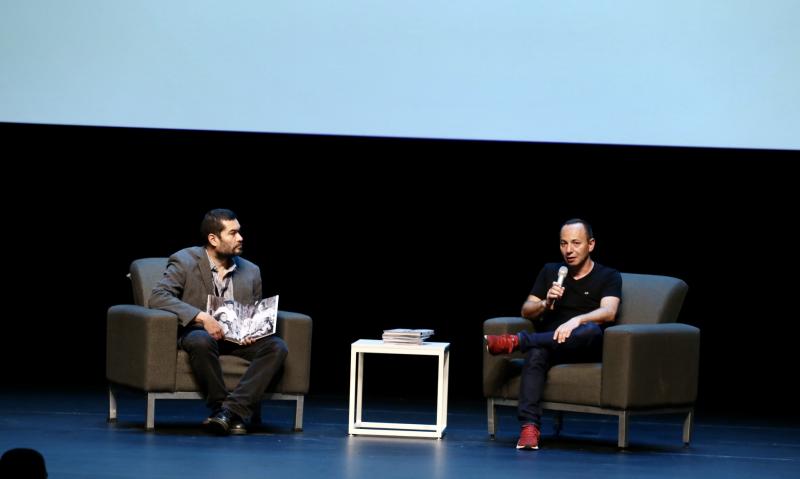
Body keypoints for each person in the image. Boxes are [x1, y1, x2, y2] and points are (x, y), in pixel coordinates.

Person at [149, 208, 288, 436]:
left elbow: (253, 311)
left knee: (277, 346)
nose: (240, 238)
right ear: (213, 239)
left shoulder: (251, 271)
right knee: (201, 341)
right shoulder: (184, 260)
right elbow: (158, 296)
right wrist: (202, 317)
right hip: (199, 333)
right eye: (232, 233)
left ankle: (228, 412)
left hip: (236, 340)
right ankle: (221, 407)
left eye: (239, 232)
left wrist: (252, 330)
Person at [484, 218, 621, 450]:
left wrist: (577, 320)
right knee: (537, 352)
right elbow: (526, 310)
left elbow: (609, 312)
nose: (569, 250)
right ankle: (529, 428)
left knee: (590, 330)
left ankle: (518, 341)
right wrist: (545, 303)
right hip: (552, 344)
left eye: (576, 243)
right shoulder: (551, 271)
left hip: (584, 346)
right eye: (563, 243)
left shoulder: (608, 275)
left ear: (591, 244)